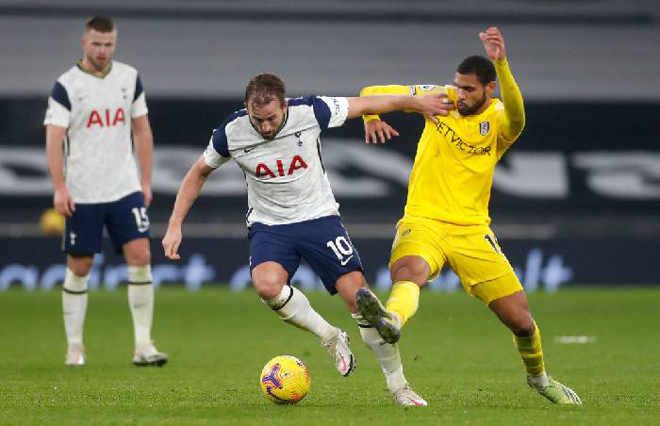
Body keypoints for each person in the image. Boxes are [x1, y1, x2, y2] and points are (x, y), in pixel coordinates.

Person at [161, 73, 452, 405]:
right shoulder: (231, 132)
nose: (266, 126)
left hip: (319, 220)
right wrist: (175, 224)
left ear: (284, 106)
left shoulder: (310, 111)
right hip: (270, 226)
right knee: (267, 286)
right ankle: (329, 336)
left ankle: (400, 386)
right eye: (258, 120)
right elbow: (198, 171)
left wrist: (416, 102)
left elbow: (367, 103)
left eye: (271, 118)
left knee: (360, 299)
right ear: (247, 109)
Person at [355, 27, 582, 405]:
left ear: (489, 89)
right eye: (458, 86)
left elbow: (520, 116)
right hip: (423, 219)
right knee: (410, 270)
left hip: (472, 231)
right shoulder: (438, 98)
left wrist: (501, 63)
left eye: (469, 89)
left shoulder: (498, 122)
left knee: (522, 321)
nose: (459, 95)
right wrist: (371, 118)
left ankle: (540, 380)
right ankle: (391, 321)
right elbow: (371, 94)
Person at [44, 16, 167, 367]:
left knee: (141, 256)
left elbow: (142, 131)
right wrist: (60, 187)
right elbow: (54, 138)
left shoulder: (129, 78)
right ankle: (75, 347)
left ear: (115, 43)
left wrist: (145, 181)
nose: (103, 50)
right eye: (97, 44)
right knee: (80, 265)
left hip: (124, 187)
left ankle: (143, 345)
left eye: (109, 43)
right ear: (84, 43)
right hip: (82, 191)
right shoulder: (66, 85)